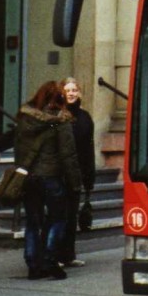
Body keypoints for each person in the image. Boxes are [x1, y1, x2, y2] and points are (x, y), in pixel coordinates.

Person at [16, 81, 82, 281]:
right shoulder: (61, 121)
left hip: (29, 177)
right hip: (51, 177)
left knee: (33, 221)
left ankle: (33, 264)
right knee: (57, 218)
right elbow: (68, 155)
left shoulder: (25, 119)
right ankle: (50, 259)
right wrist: (75, 182)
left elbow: (19, 149)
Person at [59, 77, 96, 268]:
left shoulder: (85, 117)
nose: (71, 93)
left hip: (77, 173)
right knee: (59, 215)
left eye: (74, 90)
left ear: (79, 93)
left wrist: (89, 177)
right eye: (67, 90)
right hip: (58, 173)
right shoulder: (57, 115)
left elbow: (88, 149)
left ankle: (68, 255)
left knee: (72, 215)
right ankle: (55, 254)